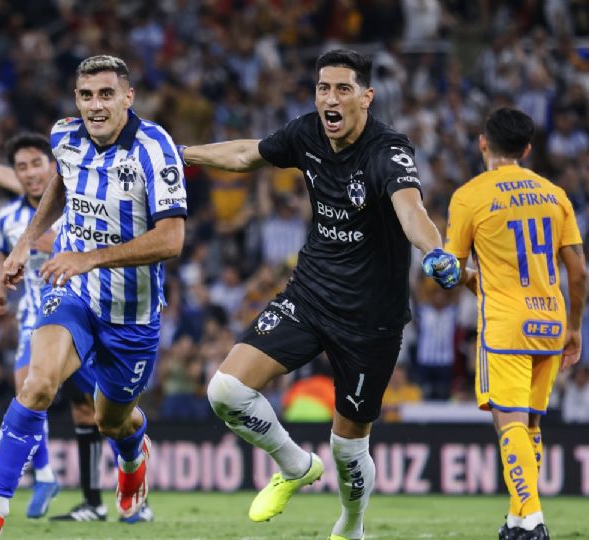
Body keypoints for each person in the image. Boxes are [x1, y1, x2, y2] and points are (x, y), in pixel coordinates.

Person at [182, 48, 459, 540]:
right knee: (225, 391)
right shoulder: (306, 132)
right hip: (310, 294)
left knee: (348, 447)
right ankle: (293, 466)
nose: (330, 99)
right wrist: (182, 154)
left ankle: (352, 526)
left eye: (343, 89)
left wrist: (433, 250)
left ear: (366, 97)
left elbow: (411, 208)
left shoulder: (387, 150)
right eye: (323, 88)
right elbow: (248, 154)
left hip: (370, 318)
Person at [0, 54, 186, 539]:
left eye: (106, 94)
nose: (95, 106)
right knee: (37, 384)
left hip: (132, 314)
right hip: (75, 294)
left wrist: (91, 256)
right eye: (86, 95)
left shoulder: (155, 148)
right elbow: (61, 184)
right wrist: (24, 243)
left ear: (128, 96)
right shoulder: (63, 135)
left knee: (113, 421)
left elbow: (171, 239)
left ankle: (132, 454)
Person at [0, 129, 135, 521]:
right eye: (20, 168)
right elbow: (4, 254)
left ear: (53, 167)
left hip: (85, 312)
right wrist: (0, 293)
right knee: (33, 386)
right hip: (36, 317)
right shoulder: (9, 216)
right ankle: (47, 478)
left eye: (36, 165)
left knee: (96, 411)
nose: (27, 174)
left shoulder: (79, 201)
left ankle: (112, 487)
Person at [442, 107, 585, 540]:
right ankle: (516, 520)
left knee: (509, 424)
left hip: (505, 326)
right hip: (550, 323)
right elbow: (577, 273)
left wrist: (449, 273)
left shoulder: (470, 196)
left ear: (482, 143)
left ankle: (533, 518)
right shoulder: (555, 194)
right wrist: (574, 328)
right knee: (531, 425)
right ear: (526, 148)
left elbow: (453, 271)